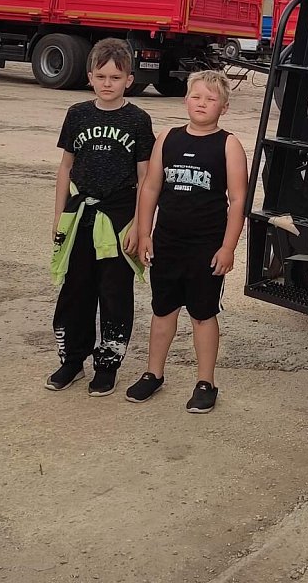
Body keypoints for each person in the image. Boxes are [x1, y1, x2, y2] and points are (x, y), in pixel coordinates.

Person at [125, 70, 248, 413]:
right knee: (163, 310)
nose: (202, 103)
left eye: (211, 99)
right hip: (167, 242)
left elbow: (238, 200)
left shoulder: (229, 145)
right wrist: (145, 233)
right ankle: (153, 373)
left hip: (206, 248)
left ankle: (206, 382)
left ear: (224, 107)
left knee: (202, 314)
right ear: (185, 100)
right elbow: (151, 187)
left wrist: (228, 247)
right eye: (196, 97)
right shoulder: (168, 137)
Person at [47, 37, 154, 396]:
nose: (108, 83)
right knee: (76, 289)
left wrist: (141, 226)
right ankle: (72, 360)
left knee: (114, 292)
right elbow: (65, 167)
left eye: (116, 77)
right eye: (101, 76)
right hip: (81, 214)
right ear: (90, 76)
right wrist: (59, 216)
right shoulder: (77, 114)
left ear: (129, 80)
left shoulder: (138, 120)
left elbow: (145, 177)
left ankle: (107, 365)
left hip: (119, 216)